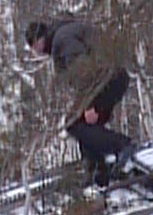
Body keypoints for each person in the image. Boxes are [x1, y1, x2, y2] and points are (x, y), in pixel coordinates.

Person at [25, 17, 133, 185]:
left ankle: (121, 147)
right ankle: (96, 168)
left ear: (39, 39)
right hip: (112, 76)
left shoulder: (61, 41)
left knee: (75, 124)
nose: (36, 52)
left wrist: (89, 106)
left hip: (108, 78)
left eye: (33, 47)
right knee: (80, 121)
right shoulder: (63, 34)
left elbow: (84, 72)